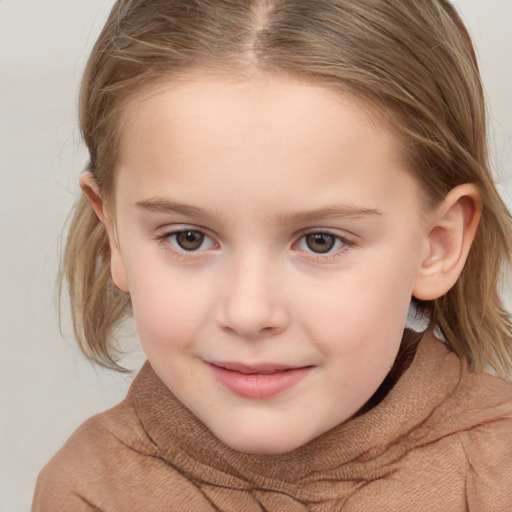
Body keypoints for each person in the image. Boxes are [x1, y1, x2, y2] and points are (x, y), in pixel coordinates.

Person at [32, 0, 512, 510]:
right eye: (188, 238)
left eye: (320, 241)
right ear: (116, 237)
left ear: (437, 245)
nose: (249, 312)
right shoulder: (90, 491)